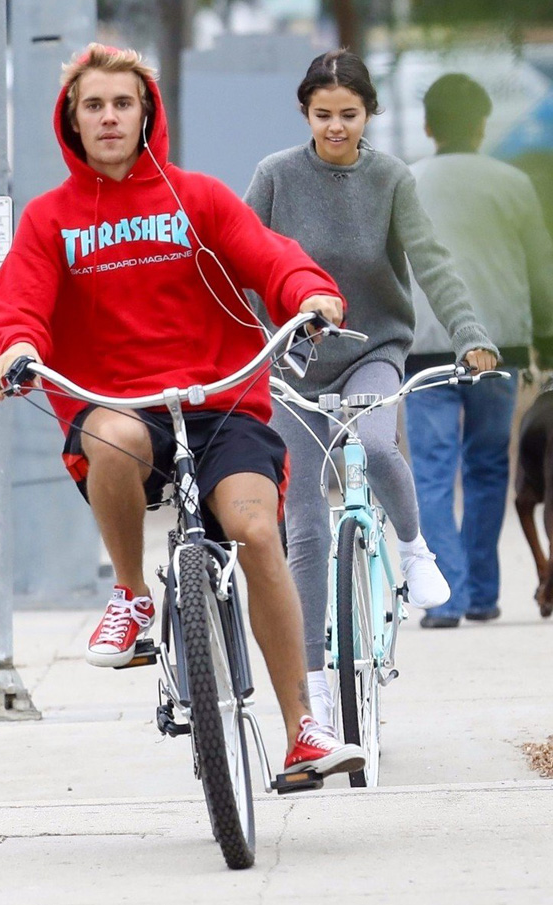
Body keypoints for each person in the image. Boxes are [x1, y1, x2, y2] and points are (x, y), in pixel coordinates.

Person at [0, 43, 367, 777]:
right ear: (72, 119)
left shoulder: (199, 197)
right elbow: (20, 301)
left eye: (122, 103)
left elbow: (268, 255)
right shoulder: (49, 218)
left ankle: (304, 730)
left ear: (145, 113)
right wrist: (15, 347)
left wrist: (310, 293)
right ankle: (130, 598)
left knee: (258, 530)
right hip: (120, 406)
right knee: (114, 436)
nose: (108, 117)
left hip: (221, 403)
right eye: (93, 105)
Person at [244, 50, 498, 731]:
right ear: (305, 113)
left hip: (372, 348)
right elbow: (238, 260)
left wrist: (469, 331)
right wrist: (240, 342)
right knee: (303, 521)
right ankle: (314, 690)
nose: (336, 127)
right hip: (292, 360)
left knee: (379, 446)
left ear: (369, 114)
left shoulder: (390, 178)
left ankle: (414, 551)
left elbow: (431, 261)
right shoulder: (274, 176)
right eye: (323, 114)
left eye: (349, 115)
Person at [405, 73, 553, 629]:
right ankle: (483, 593)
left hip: (426, 347)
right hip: (500, 344)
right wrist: (545, 340)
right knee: (489, 465)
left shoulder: (407, 180)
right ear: (483, 125)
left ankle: (445, 598)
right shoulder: (513, 184)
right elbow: (540, 270)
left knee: (432, 471)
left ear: (427, 126)